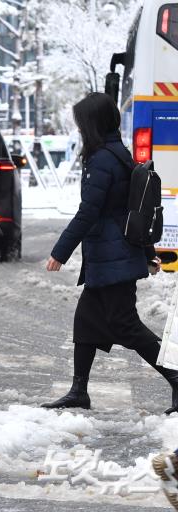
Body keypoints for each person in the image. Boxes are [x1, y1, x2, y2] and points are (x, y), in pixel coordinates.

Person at [41, 92, 177, 412]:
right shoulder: (117, 153)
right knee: (87, 321)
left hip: (112, 256)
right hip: (113, 255)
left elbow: (90, 211)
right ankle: (79, 391)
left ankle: (175, 374)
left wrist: (61, 252)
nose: (78, 129)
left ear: (92, 124)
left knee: (126, 324)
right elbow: (131, 209)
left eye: (80, 123)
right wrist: (147, 253)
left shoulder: (102, 158)